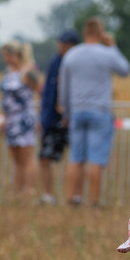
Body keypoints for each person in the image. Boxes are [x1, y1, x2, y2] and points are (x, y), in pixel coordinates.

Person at [58, 17, 130, 206]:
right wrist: (113, 45)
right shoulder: (107, 53)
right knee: (96, 158)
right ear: (101, 33)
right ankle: (95, 200)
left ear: (84, 33)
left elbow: (63, 86)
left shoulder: (72, 54)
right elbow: (125, 70)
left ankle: (73, 197)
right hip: (100, 111)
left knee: (76, 157)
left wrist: (66, 112)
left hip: (77, 110)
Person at [38, 29, 79, 205]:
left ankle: (75, 195)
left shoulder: (78, 62)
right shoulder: (55, 61)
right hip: (52, 119)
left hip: (73, 117)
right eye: (60, 43)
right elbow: (48, 92)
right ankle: (48, 196)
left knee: (77, 157)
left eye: (65, 43)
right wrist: (43, 117)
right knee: (45, 157)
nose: (60, 46)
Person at [0, 40, 42, 200]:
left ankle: (29, 191)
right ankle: (17, 192)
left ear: (16, 55)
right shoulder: (7, 72)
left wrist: (40, 116)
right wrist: (3, 118)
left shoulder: (29, 71)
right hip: (10, 120)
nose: (5, 59)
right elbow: (5, 98)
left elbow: (41, 91)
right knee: (16, 157)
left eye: (7, 56)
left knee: (27, 156)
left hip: (24, 119)